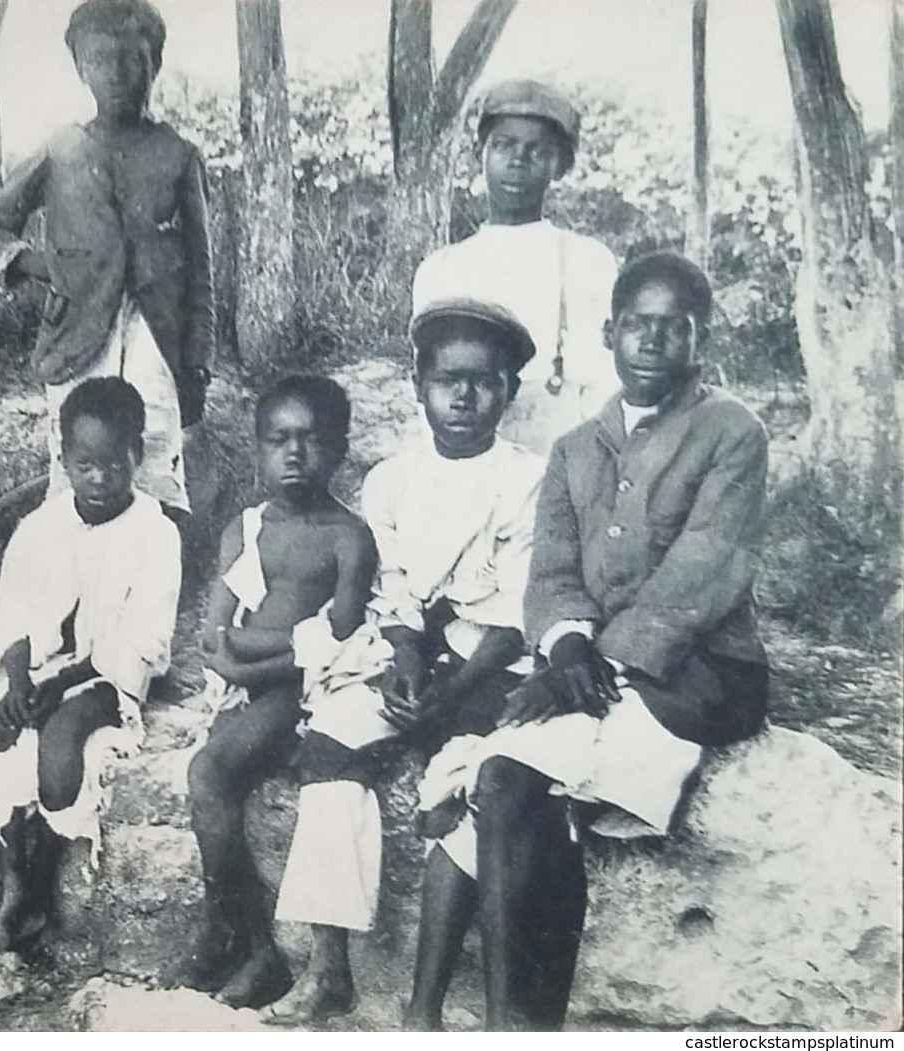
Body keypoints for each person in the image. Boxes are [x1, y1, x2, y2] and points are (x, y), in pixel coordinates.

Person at [414, 252, 770, 1029]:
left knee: (538, 767)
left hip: (698, 672)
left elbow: (703, 568)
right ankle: (519, 1026)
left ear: (697, 341)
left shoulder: (731, 432)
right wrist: (567, 642)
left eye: (670, 329)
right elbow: (553, 569)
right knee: (506, 777)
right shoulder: (575, 446)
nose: (649, 342)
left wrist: (597, 662)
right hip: (594, 668)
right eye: (635, 325)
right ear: (609, 333)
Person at [260, 300, 544, 1028]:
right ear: (418, 384)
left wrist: (450, 693)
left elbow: (516, 615)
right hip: (412, 659)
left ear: (507, 389)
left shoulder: (528, 479)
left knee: (473, 774)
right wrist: (404, 658)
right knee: (328, 744)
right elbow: (390, 591)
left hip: (487, 670)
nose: (462, 396)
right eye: (447, 379)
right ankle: (329, 967)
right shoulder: (390, 480)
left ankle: (442, 1001)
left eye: (482, 381)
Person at [0, 0, 214, 517]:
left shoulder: (178, 156)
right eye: (100, 60)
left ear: (156, 64)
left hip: (157, 332)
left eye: (133, 58)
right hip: (77, 332)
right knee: (77, 450)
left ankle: (154, 563)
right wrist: (34, 264)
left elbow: (201, 274)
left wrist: (197, 362)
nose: (118, 74)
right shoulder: (62, 149)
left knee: (153, 443)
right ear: (80, 69)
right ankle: (74, 568)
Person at [0, 377, 182, 961]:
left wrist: (62, 685)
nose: (99, 478)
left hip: (109, 670)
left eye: (114, 464)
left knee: (62, 748)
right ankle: (16, 888)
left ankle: (36, 887)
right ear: (63, 459)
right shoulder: (42, 526)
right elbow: (11, 612)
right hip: (40, 666)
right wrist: (17, 682)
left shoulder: (155, 534)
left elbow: (144, 637)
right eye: (84, 464)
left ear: (138, 453)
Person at [180, 375, 375, 1011]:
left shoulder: (348, 536)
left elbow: (338, 636)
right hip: (253, 688)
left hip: (308, 692)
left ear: (339, 449)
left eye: (311, 440)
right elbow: (214, 634)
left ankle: (241, 941)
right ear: (258, 448)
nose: (294, 454)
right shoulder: (247, 528)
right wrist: (268, 651)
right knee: (215, 777)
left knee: (210, 771)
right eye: (278, 440)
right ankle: (246, 938)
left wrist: (253, 652)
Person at [412, 79, 620, 455]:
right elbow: (430, 389)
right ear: (481, 153)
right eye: (503, 146)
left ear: (559, 165)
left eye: (536, 151)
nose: (517, 162)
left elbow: (605, 388)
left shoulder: (588, 261)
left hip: (561, 450)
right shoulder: (441, 269)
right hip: (467, 453)